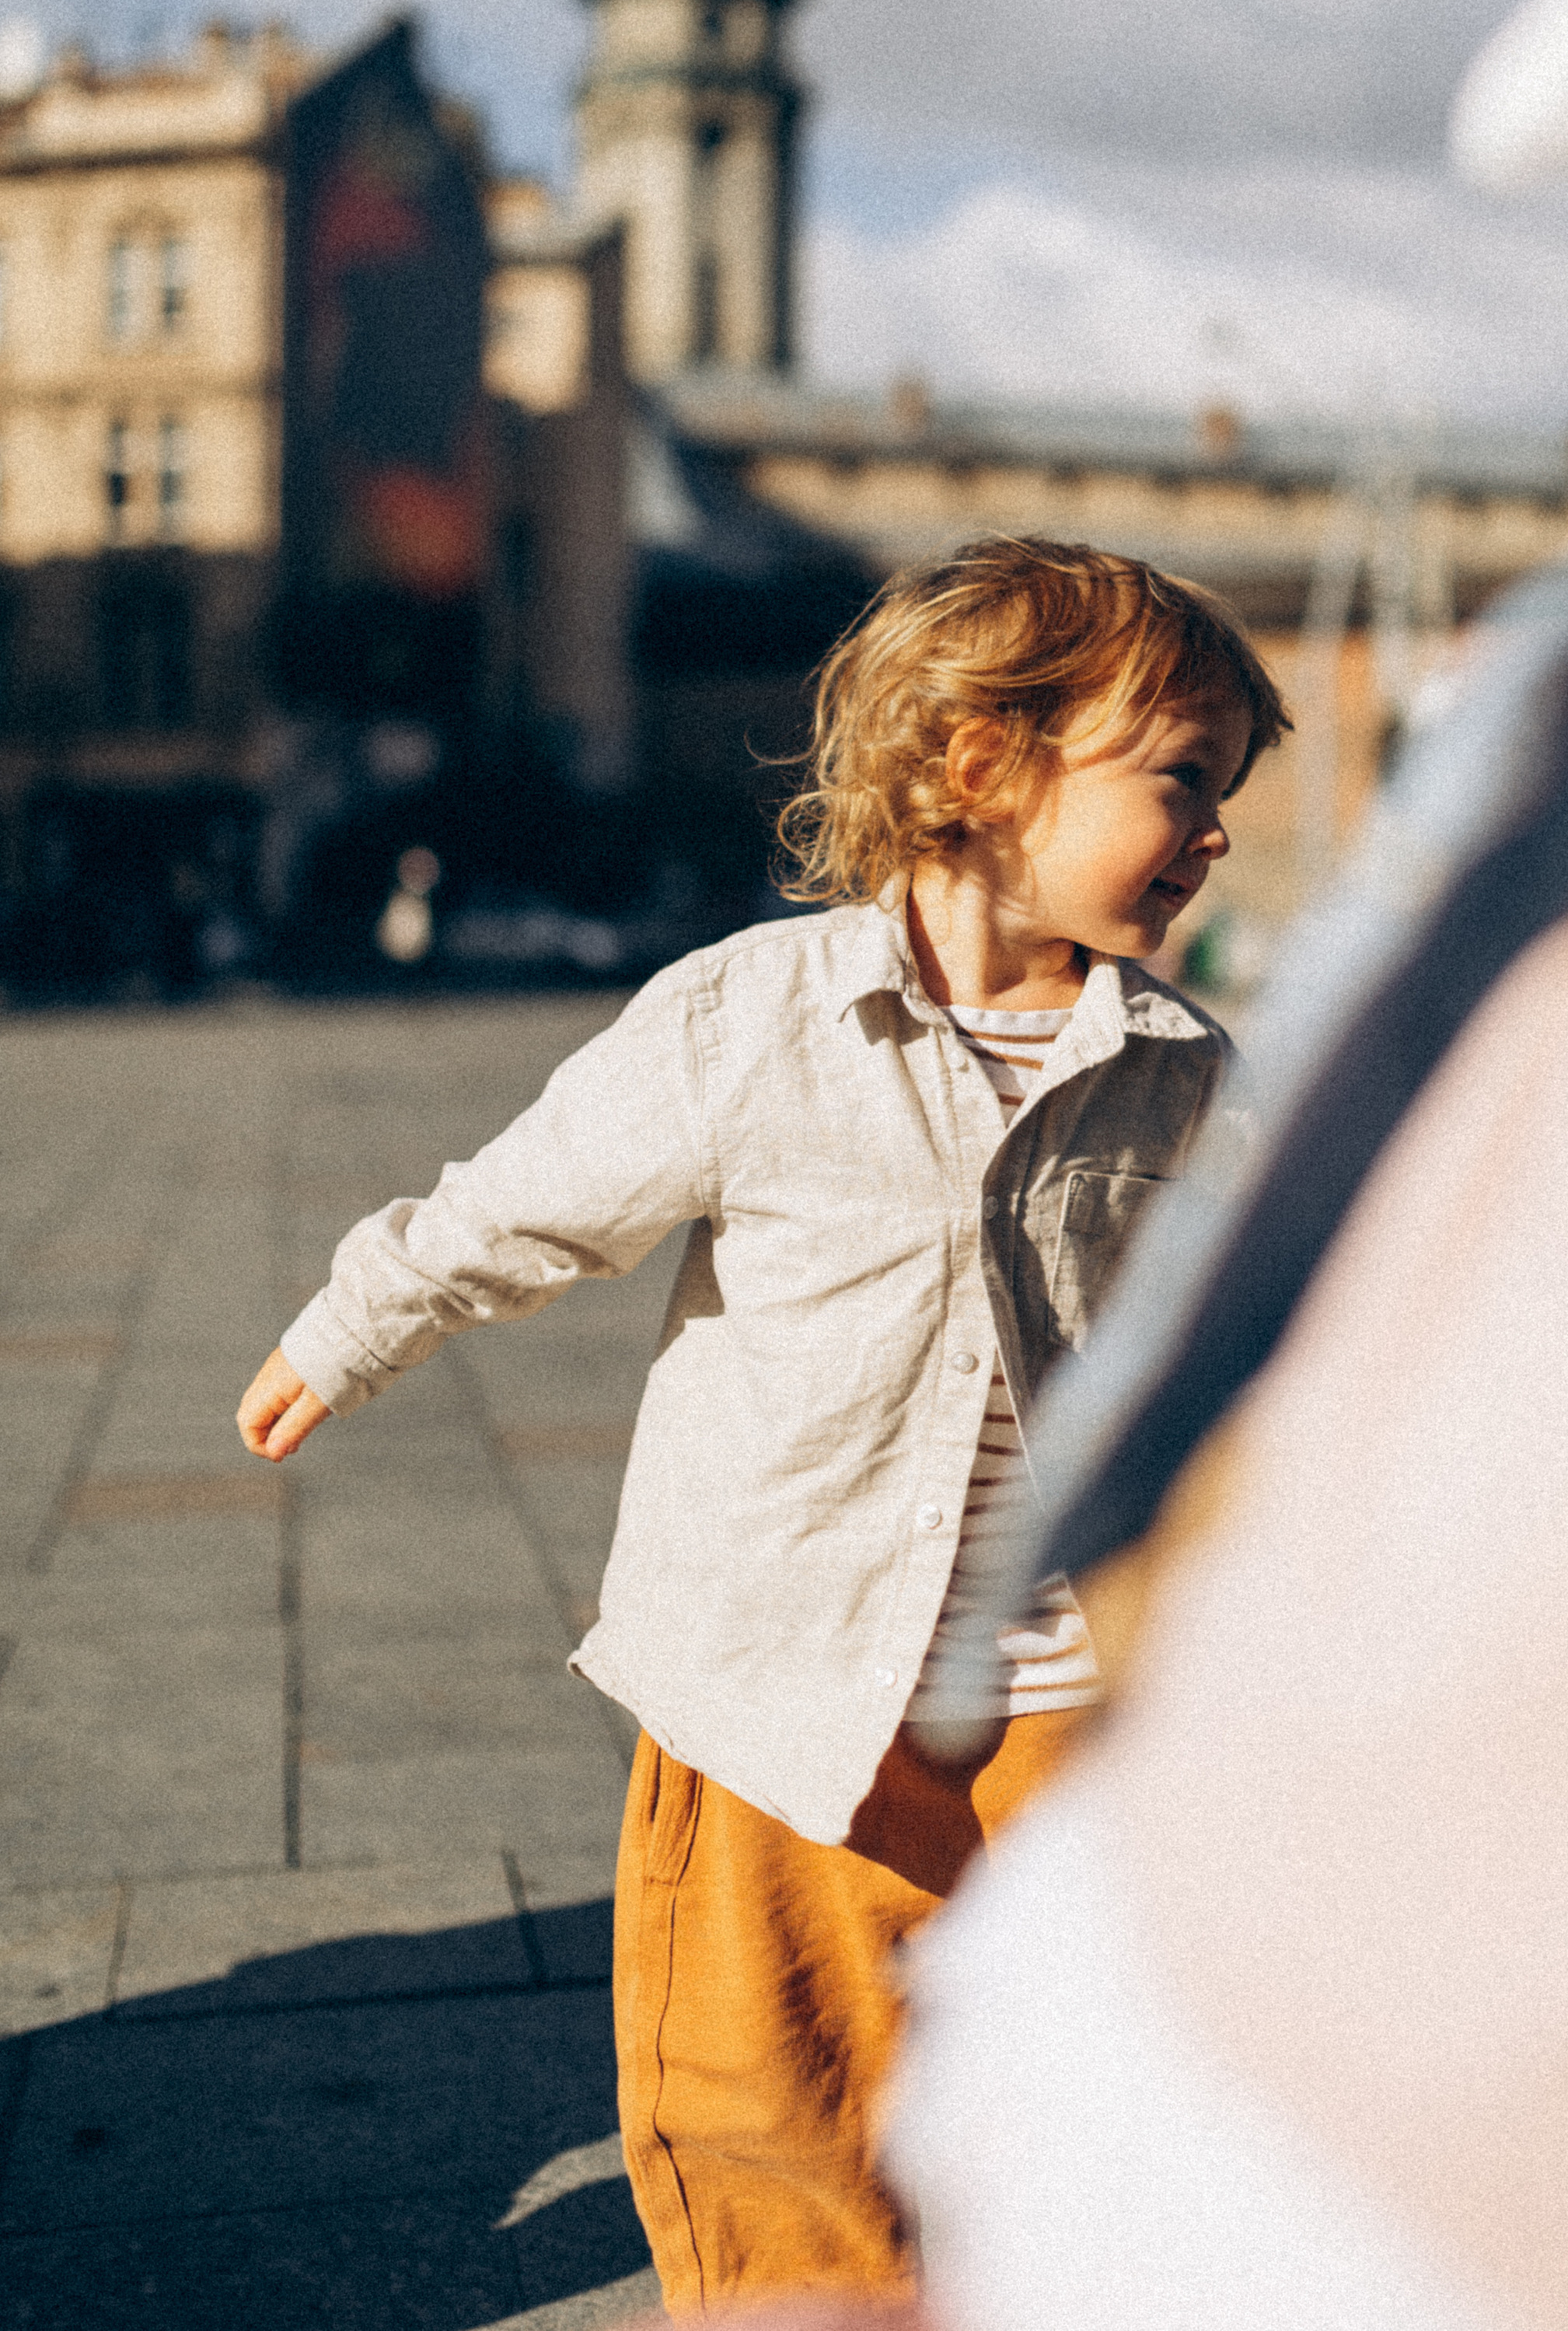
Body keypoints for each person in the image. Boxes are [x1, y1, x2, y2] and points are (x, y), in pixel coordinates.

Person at [233, 533, 1288, 2315]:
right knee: (765, 2096)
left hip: (1067, 1710)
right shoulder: (754, 1018)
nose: (1214, 830)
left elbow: (1288, 1301)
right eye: (1178, 777)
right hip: (788, 1685)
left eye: (1223, 792)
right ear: (975, 765)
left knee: (1094, 2097)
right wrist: (361, 1318)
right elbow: (527, 1201)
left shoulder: (1183, 1067)